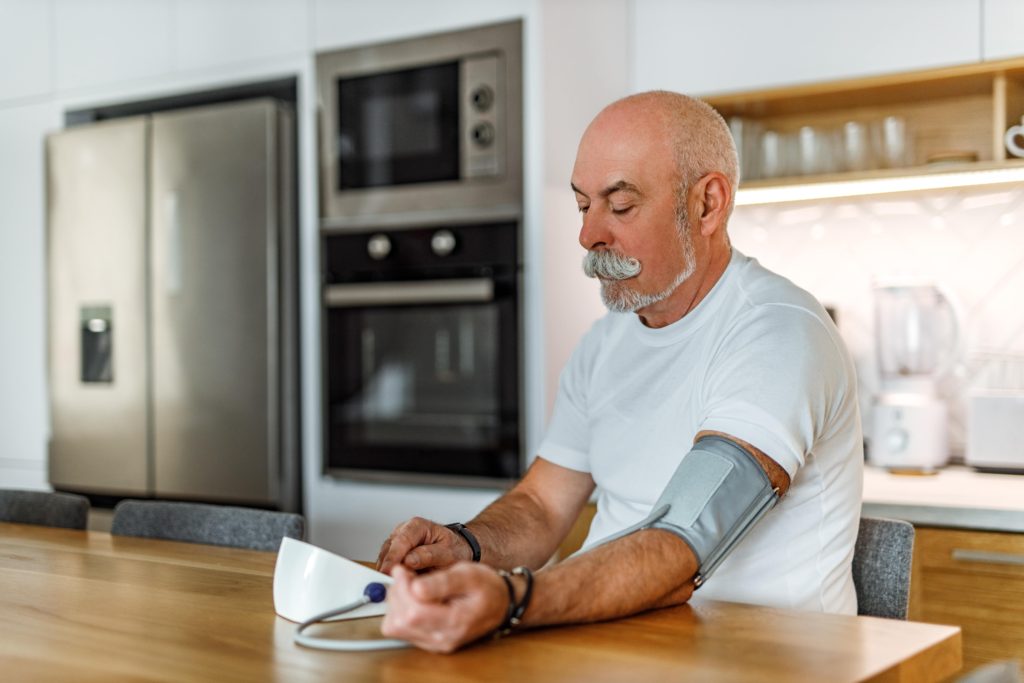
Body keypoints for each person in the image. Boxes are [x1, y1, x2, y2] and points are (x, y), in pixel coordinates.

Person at [375, 90, 863, 653]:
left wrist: (512, 601)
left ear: (708, 204)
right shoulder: (606, 342)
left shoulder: (778, 333)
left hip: (763, 662)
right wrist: (466, 546)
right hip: (617, 652)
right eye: (584, 206)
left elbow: (682, 546)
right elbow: (541, 505)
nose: (589, 236)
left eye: (621, 205)